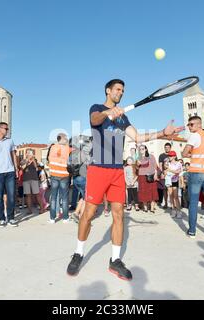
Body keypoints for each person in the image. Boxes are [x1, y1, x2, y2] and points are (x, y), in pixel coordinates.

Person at [66, 79, 183, 280]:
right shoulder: (97, 108)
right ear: (108, 90)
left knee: (119, 215)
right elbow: (94, 120)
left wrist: (163, 133)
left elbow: (138, 138)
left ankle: (115, 260)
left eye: (123, 91)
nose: (121, 93)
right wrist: (107, 113)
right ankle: (78, 253)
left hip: (117, 171)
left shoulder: (123, 118)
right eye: (118, 89)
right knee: (89, 213)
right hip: (97, 168)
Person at [47, 133, 71, 223]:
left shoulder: (53, 147)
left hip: (54, 174)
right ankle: (65, 218)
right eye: (66, 137)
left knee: (53, 197)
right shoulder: (67, 148)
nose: (67, 139)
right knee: (64, 198)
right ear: (62, 138)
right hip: (64, 175)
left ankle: (52, 218)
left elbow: (49, 159)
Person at [68, 135, 91, 222]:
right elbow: (89, 164)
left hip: (75, 178)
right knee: (87, 197)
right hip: (83, 177)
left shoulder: (71, 154)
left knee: (83, 197)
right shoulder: (82, 153)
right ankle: (81, 217)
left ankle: (76, 213)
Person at [137, 145, 159, 213]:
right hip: (142, 177)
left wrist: (156, 174)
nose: (141, 150)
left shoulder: (151, 156)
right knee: (143, 192)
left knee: (152, 191)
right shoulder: (138, 158)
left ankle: (152, 208)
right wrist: (138, 164)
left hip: (151, 175)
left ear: (146, 149)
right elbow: (137, 169)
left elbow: (155, 165)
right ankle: (145, 207)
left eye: (143, 149)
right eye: (140, 149)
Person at [164, 151, 182, 218]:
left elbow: (178, 172)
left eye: (171, 156)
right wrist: (166, 171)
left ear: (174, 156)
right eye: (169, 156)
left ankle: (179, 211)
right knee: (170, 196)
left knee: (176, 197)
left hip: (175, 181)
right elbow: (165, 172)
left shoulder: (178, 163)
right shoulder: (167, 164)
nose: (170, 157)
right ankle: (173, 210)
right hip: (169, 181)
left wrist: (170, 170)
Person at [158, 143, 172, 208]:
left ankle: (172, 204)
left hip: (171, 174)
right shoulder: (161, 155)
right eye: (165, 147)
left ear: (170, 148)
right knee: (165, 190)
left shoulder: (172, 155)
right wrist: (161, 173)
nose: (167, 148)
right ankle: (166, 203)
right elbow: (160, 165)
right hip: (164, 174)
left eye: (168, 147)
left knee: (171, 190)